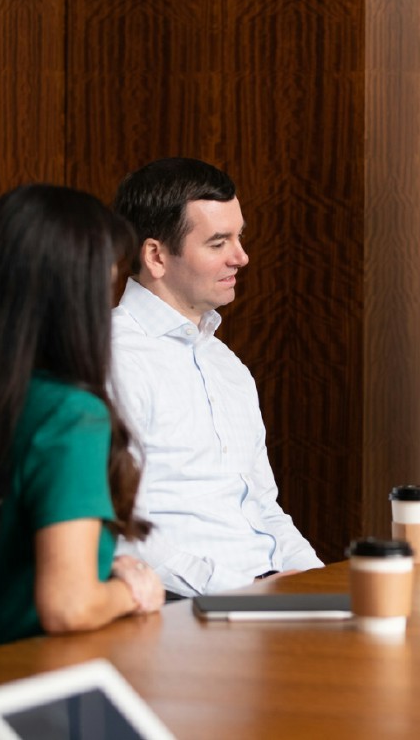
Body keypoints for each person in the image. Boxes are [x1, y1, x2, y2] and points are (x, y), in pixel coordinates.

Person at [0, 185, 164, 659]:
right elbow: (69, 606)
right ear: (74, 300)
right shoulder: (70, 415)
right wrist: (135, 591)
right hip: (25, 686)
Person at [109, 157, 321, 597]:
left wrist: (320, 583)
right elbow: (122, 532)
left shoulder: (226, 366)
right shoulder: (115, 358)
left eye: (238, 237)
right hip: (188, 611)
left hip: (261, 602)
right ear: (155, 256)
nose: (241, 257)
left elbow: (264, 508)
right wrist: (247, 593)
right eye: (218, 242)